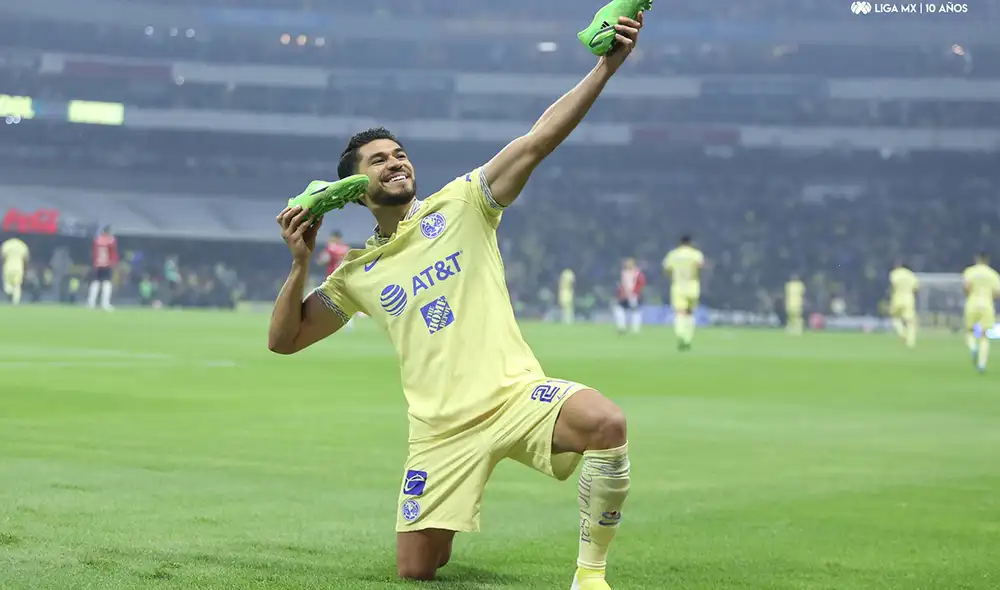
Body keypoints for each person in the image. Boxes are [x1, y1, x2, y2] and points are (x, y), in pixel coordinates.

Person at [268, 15, 644, 590]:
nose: (396, 162)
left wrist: (605, 67)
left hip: (515, 395)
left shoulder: (464, 205)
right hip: (439, 431)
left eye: (400, 154)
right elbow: (284, 340)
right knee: (418, 570)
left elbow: (536, 141)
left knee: (607, 422)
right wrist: (299, 264)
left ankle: (590, 575)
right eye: (379, 161)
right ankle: (447, 514)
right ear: (353, 189)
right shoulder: (357, 273)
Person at [663, 235, 704, 351]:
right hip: (693, 286)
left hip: (678, 286)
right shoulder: (696, 254)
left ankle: (681, 335)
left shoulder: (673, 254)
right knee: (690, 313)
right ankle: (688, 338)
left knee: (679, 313)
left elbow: (666, 269)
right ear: (690, 242)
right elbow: (700, 265)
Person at [962, 252, 1000, 373]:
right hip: (987, 305)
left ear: (977, 259)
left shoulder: (970, 271)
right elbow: (998, 293)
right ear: (987, 260)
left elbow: (967, 287)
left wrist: (969, 295)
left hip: (972, 303)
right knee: (984, 335)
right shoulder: (993, 274)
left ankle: (973, 347)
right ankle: (982, 364)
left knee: (969, 331)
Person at [888, 262, 919, 348]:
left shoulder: (895, 273)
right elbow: (916, 288)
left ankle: (901, 332)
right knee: (911, 322)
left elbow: (892, 286)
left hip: (896, 298)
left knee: (895, 318)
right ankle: (911, 343)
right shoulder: (911, 275)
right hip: (909, 299)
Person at [87, 226, 118, 310]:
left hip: (97, 264)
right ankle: (105, 304)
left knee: (95, 283)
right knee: (106, 284)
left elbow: (94, 252)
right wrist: (114, 262)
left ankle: (91, 303)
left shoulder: (97, 240)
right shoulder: (111, 240)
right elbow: (113, 253)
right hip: (107, 265)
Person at [614, 258, 645, 334]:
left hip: (633, 295)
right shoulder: (624, 272)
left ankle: (635, 329)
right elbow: (622, 284)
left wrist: (636, 292)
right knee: (619, 309)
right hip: (625, 295)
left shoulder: (637, 273)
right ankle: (622, 327)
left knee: (635, 311)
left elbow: (641, 283)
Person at [1, 236, 29, 305]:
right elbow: (26, 258)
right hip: (19, 267)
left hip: (8, 267)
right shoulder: (22, 245)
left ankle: (10, 292)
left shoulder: (6, 244)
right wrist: (26, 267)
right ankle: (16, 301)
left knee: (7, 284)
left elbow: (2, 256)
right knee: (17, 285)